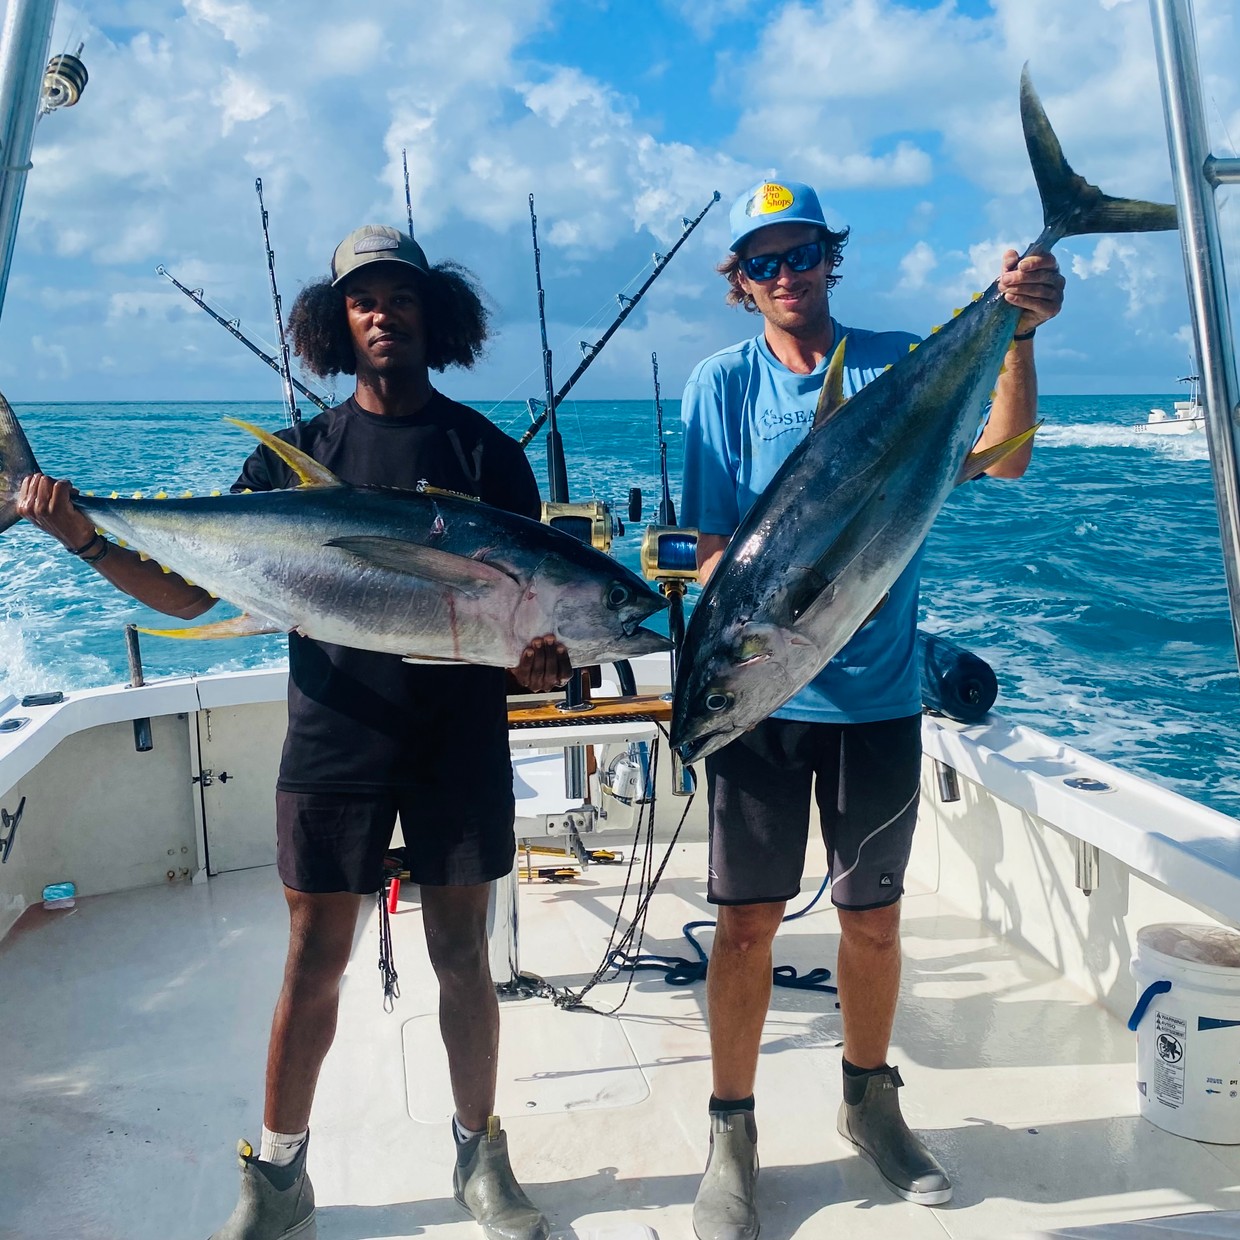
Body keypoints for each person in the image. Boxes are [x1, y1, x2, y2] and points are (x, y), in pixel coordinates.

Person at [16, 223, 569, 1240]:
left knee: (462, 955)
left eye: (400, 295)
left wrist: (541, 666)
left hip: (456, 742)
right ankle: (277, 1179)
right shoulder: (299, 457)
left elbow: (527, 628)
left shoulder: (487, 456)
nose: (382, 312)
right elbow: (189, 596)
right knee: (313, 959)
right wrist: (83, 535)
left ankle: (479, 1155)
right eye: (363, 299)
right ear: (336, 321)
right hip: (335, 742)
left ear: (432, 311)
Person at [679, 180, 1064, 1239]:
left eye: (801, 253)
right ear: (740, 281)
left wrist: (1019, 330)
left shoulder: (900, 359)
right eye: (763, 261)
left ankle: (868, 1103)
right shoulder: (719, 385)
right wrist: (765, 640)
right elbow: (711, 552)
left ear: (828, 257)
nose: (786, 274)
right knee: (744, 927)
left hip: (881, 698)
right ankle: (731, 1133)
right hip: (762, 708)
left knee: (874, 923)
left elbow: (1009, 456)